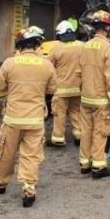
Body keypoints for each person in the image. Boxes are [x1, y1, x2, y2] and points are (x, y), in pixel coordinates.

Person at [0, 26, 56, 207]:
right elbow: (53, 88)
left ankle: (0, 182)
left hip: (13, 118)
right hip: (35, 119)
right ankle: (29, 189)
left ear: (19, 45)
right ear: (37, 45)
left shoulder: (10, 63)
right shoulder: (47, 64)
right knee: (31, 155)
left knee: (7, 153)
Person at [77, 9, 110, 179]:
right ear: (108, 28)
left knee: (86, 131)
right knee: (100, 132)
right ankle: (99, 166)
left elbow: (78, 72)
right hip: (101, 99)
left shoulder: (85, 46)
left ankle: (85, 164)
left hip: (86, 97)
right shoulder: (108, 47)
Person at [47, 20, 84, 148]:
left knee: (59, 113)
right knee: (76, 111)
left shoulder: (57, 48)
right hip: (78, 87)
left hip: (61, 88)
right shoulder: (82, 46)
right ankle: (79, 134)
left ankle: (58, 138)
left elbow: (48, 66)